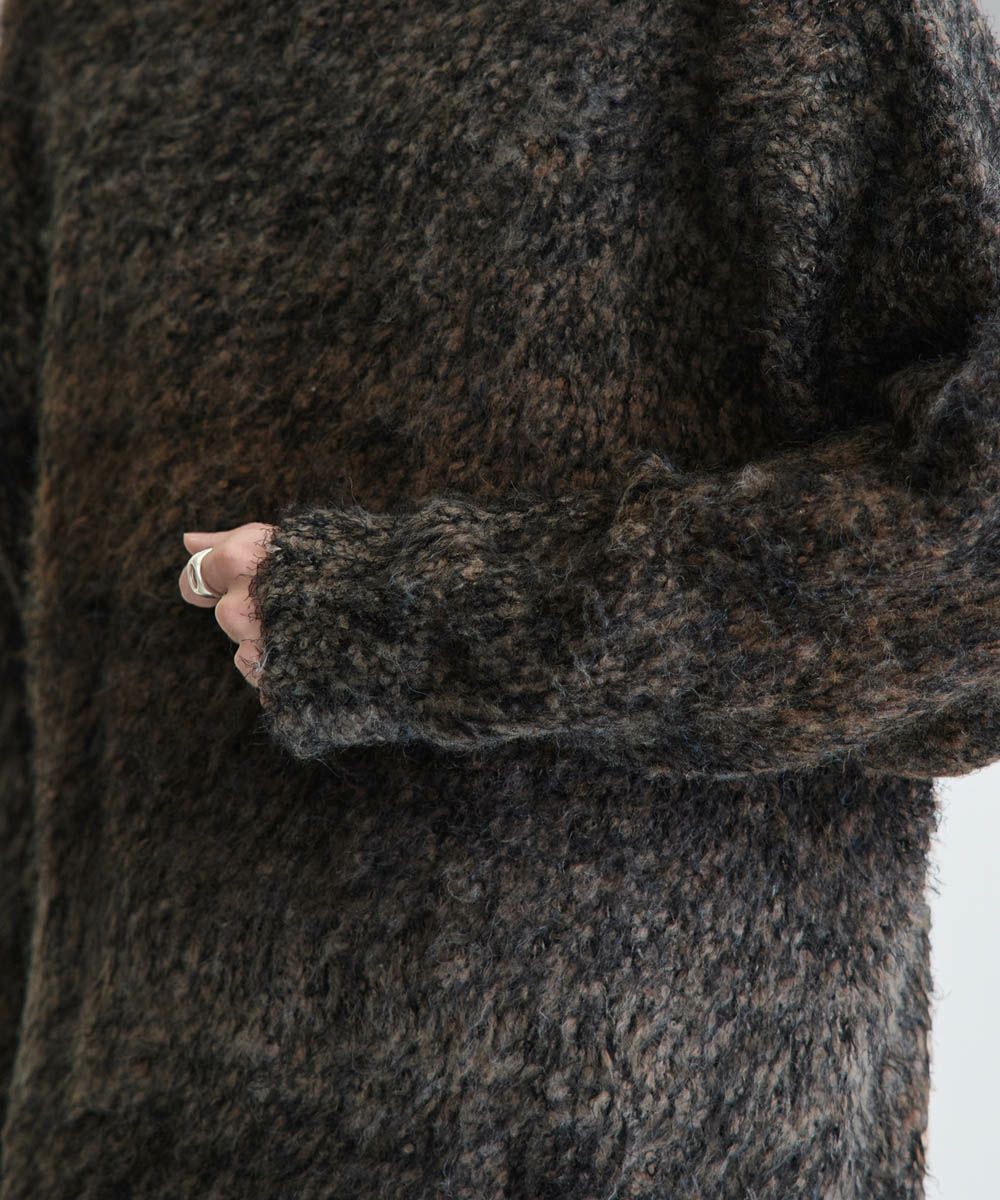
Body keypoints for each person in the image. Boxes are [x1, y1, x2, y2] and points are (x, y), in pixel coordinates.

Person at [2, 0, 1000, 1195]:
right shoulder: (81, 30)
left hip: (651, 1139)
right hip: (116, 1130)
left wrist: (419, 619)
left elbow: (974, 550)